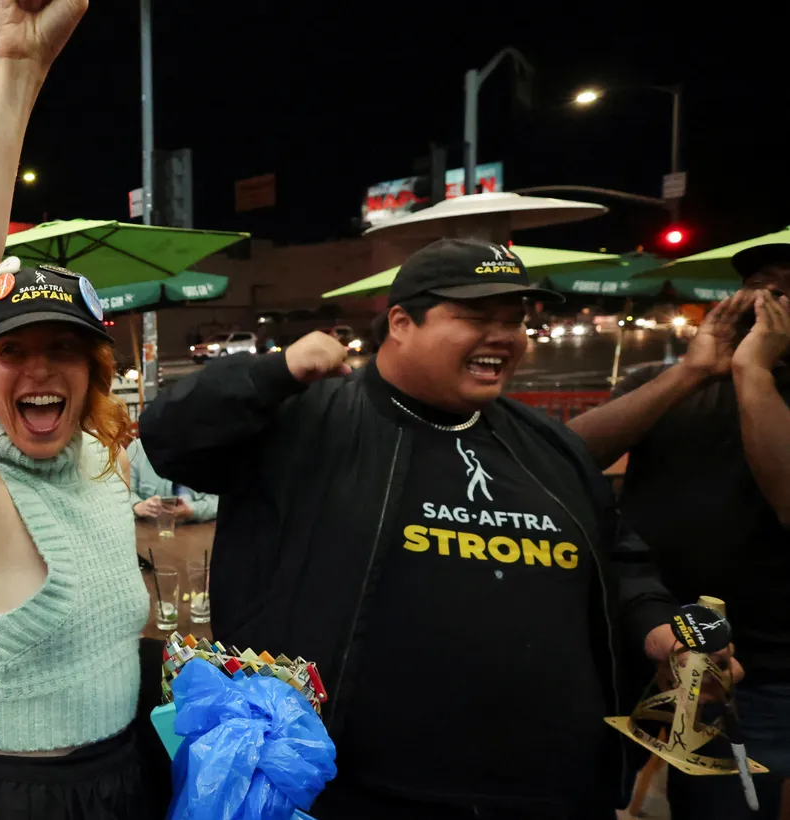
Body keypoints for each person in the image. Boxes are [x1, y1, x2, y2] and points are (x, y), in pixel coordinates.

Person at [141, 238, 692, 819]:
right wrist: (273, 372)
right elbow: (172, 438)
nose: (503, 336)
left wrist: (658, 627)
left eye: (515, 321)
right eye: (477, 317)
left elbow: (617, 561)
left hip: (550, 788)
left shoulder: (549, 447)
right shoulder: (309, 420)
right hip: (358, 789)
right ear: (401, 322)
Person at [0, 0, 154, 816]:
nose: (39, 368)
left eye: (65, 349)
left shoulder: (101, 469)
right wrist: (16, 69)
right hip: (31, 801)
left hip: (134, 772)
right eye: (12, 350)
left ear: (93, 372)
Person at [569, 242, 790, 820]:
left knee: (729, 808)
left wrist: (754, 372)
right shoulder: (673, 381)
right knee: (584, 797)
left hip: (751, 675)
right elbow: (559, 463)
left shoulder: (765, 382)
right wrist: (693, 371)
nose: (768, 304)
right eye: (762, 287)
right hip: (632, 649)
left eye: (786, 292)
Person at [127, 438, 217, 523]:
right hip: (152, 528)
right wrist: (137, 505)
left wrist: (192, 511)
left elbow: (218, 503)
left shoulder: (208, 450)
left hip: (200, 530)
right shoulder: (137, 449)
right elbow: (126, 493)